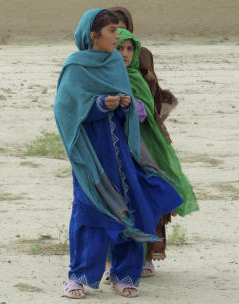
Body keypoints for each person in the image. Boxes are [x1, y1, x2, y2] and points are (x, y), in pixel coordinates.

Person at [54, 9, 183, 299]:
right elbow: (65, 111)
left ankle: (124, 273)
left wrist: (124, 103)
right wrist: (99, 104)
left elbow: (128, 107)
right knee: (90, 208)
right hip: (90, 151)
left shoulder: (115, 62)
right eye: (112, 31)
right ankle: (79, 276)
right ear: (93, 35)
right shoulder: (75, 67)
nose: (118, 36)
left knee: (127, 204)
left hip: (120, 148)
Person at [109, 6, 199, 265]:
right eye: (111, 27)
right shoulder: (100, 62)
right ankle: (114, 256)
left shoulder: (140, 54)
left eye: (121, 25)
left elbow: (153, 93)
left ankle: (147, 253)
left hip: (147, 135)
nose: (117, 35)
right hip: (113, 139)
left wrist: (143, 110)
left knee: (150, 189)